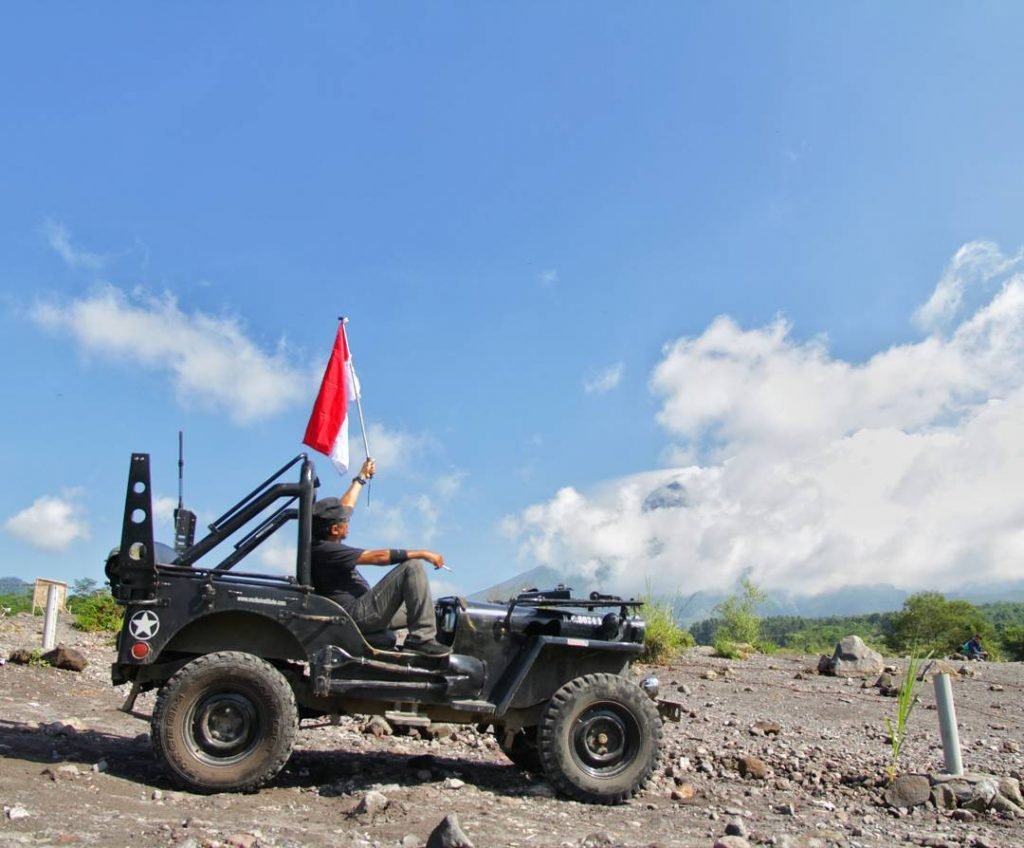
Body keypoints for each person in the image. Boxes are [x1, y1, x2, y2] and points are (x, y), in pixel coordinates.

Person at [310, 457, 451, 657]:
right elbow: (378, 557)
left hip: (361, 610)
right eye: (345, 522)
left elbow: (346, 505)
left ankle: (436, 641)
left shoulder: (323, 537)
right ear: (335, 529)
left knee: (434, 609)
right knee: (413, 567)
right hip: (355, 615)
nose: (348, 522)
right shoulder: (326, 550)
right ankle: (423, 640)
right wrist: (423, 553)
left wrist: (361, 477)